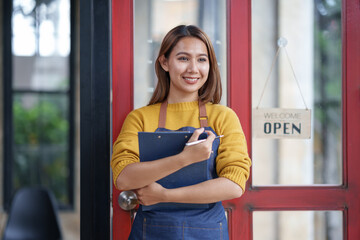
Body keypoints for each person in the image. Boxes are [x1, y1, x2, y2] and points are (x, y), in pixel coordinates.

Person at [111, 25, 251, 239]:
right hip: (152, 232)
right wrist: (184, 159)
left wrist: (164, 195)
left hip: (207, 231)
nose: (193, 69)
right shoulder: (140, 118)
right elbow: (123, 178)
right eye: (183, 58)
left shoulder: (223, 117)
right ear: (164, 62)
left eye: (202, 60)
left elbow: (234, 185)